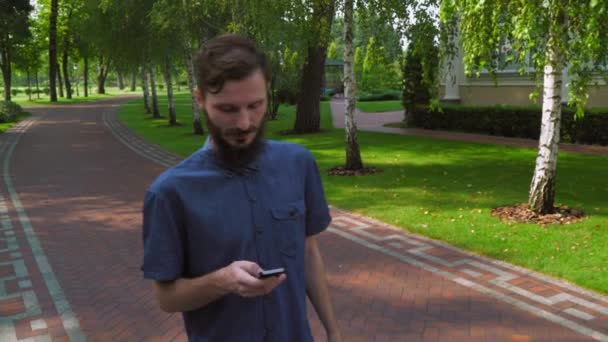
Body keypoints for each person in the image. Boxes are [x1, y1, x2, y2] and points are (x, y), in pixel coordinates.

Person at [141, 33, 342, 342]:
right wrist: (222, 281)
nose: (245, 123)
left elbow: (308, 251)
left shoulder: (298, 164)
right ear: (200, 100)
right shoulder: (169, 193)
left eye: (255, 105)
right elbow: (166, 298)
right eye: (228, 109)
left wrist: (333, 330)